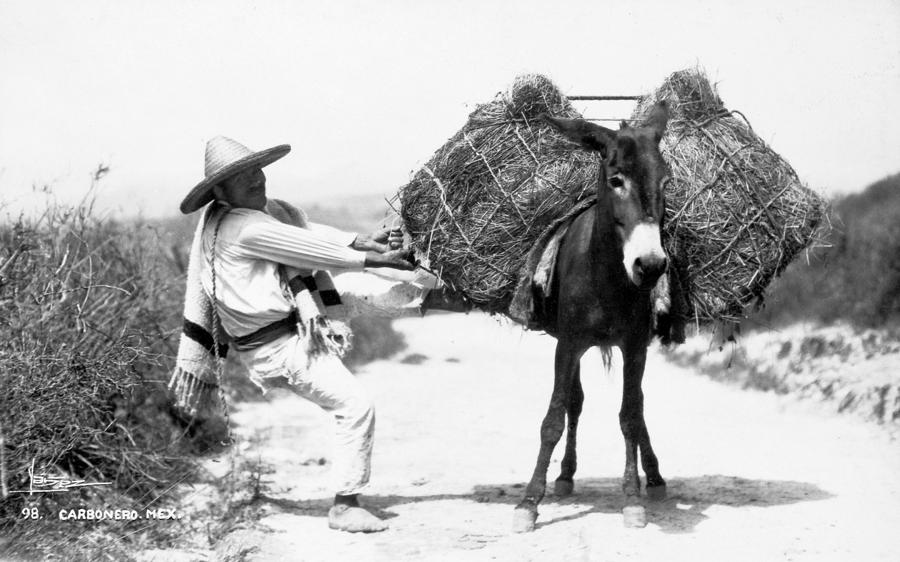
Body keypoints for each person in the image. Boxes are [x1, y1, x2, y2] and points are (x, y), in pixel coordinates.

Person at [175, 135, 425, 533]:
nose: (257, 180)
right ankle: (345, 506)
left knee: (376, 295)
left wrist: (363, 240)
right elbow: (306, 248)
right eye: (242, 177)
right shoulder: (245, 227)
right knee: (355, 406)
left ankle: (435, 298)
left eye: (257, 170)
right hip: (278, 347)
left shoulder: (248, 215)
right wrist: (377, 258)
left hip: (279, 336)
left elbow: (308, 231)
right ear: (220, 191)